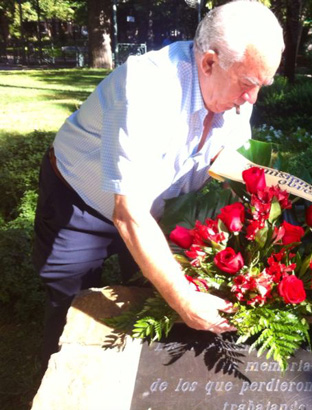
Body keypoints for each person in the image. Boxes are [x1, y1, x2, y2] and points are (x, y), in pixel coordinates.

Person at [33, 0, 284, 370]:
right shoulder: (148, 86)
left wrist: (269, 222)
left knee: (144, 301)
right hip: (81, 203)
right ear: (209, 62)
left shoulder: (234, 90)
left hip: (157, 206)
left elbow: (229, 167)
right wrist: (183, 297)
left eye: (262, 85)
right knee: (74, 311)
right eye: (247, 84)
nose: (251, 100)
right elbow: (129, 212)